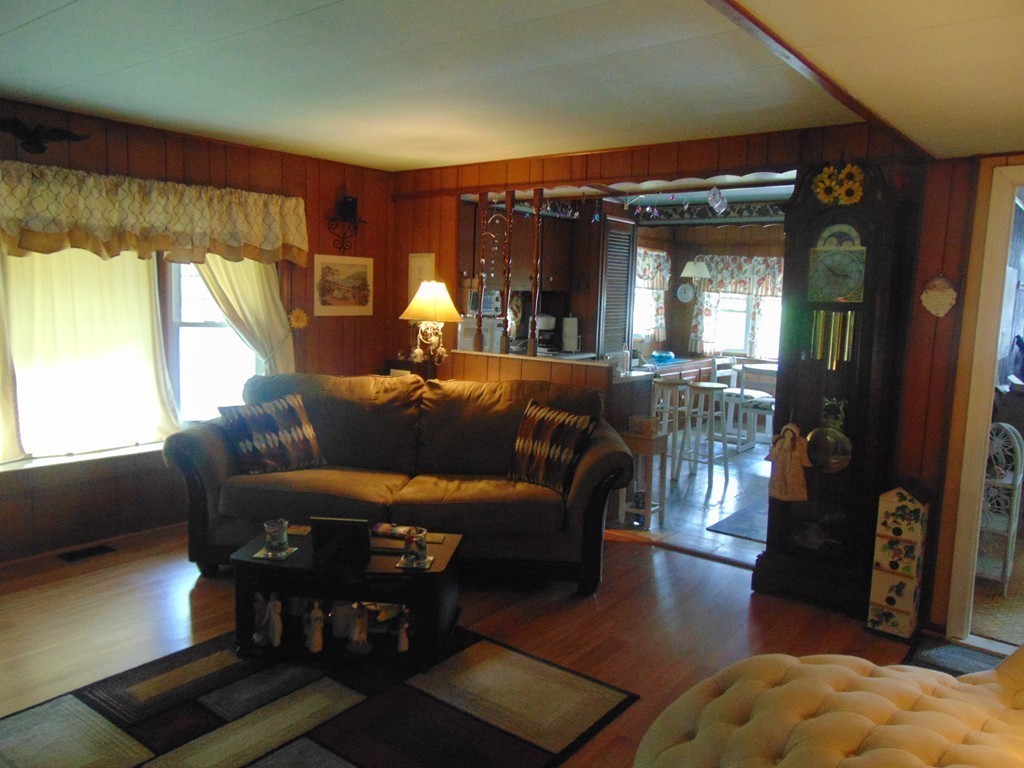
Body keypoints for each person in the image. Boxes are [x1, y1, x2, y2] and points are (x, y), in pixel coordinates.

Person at [766, 422, 811, 501]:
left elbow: (800, 454)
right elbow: (775, 452)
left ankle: (793, 493)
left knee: (793, 480)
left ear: (793, 435)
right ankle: (780, 492)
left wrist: (794, 455)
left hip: (793, 465)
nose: (788, 435)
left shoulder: (797, 444)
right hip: (782, 464)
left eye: (790, 433)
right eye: (786, 433)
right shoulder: (780, 442)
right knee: (780, 478)